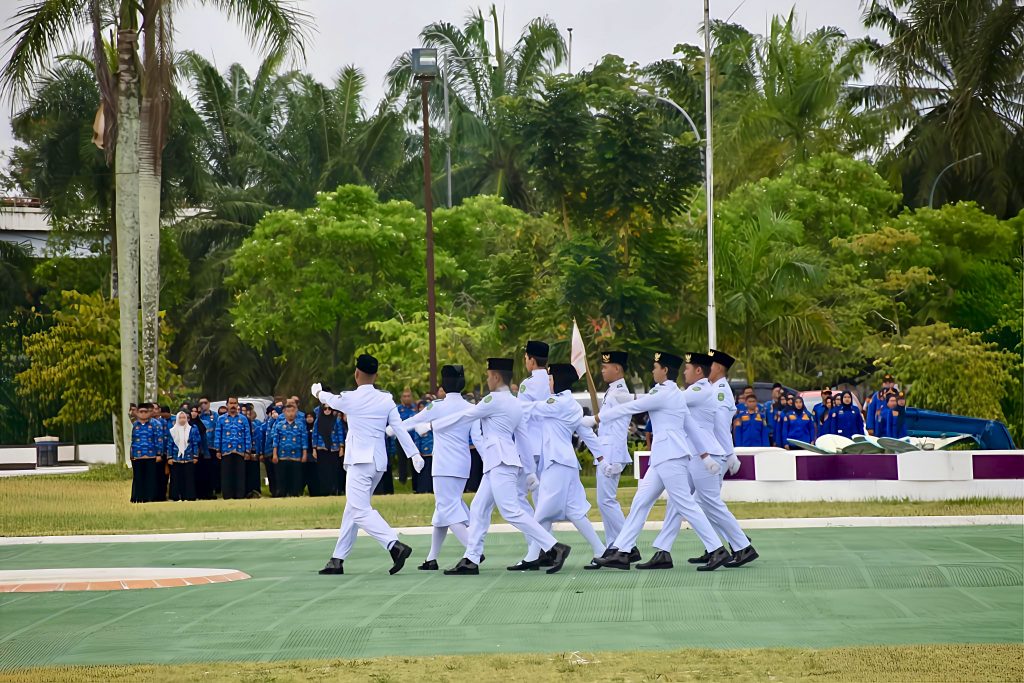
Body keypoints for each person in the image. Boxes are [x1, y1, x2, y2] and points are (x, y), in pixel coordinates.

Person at [426, 357, 571, 576]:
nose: (487, 380)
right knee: (478, 508)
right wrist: (530, 470)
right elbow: (523, 438)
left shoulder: (492, 400)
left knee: (511, 511)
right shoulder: (514, 402)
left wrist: (433, 425)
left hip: (500, 462)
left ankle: (553, 546)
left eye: (488, 376)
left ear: (495, 377)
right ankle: (471, 558)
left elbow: (465, 416)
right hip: (500, 461)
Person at [594, 352, 730, 572]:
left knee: (685, 504)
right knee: (640, 501)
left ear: (665, 370)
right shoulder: (672, 393)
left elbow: (631, 407)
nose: (652, 371)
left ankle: (717, 549)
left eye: (656, 367)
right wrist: (705, 456)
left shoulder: (665, 393)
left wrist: (595, 418)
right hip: (662, 457)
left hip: (671, 455)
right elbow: (691, 427)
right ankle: (622, 551)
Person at [314, 353, 424, 576]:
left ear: (356, 374)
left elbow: (329, 399)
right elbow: (399, 428)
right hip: (378, 463)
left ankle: (394, 545)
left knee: (359, 510)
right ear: (376, 375)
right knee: (352, 509)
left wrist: (317, 392)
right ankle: (337, 559)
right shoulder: (386, 399)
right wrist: (414, 453)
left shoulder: (350, 398)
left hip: (359, 462)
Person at [643, 353, 755, 570]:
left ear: (717, 368)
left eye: (712, 365)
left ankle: (740, 545)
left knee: (708, 503)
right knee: (678, 501)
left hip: (707, 454)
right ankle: (664, 550)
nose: (685, 372)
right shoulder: (707, 388)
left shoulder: (716, 390)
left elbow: (720, 425)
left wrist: (729, 453)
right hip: (693, 453)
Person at [513, 364, 607, 569]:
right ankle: (600, 551)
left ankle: (534, 557)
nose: (548, 382)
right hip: (564, 464)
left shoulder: (557, 402)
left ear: (558, 380)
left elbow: (531, 408)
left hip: (557, 463)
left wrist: (508, 403)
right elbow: (586, 432)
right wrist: (601, 457)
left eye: (550, 378)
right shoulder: (572, 404)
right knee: (574, 512)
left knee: (542, 513)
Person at [393, 365, 474, 570]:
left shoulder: (437, 407)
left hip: (444, 465)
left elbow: (413, 421)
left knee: (448, 508)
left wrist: (391, 429)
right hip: (463, 463)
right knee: (442, 510)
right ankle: (431, 558)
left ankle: (474, 551)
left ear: (444, 385)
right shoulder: (469, 407)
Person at [581, 350, 634, 553]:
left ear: (617, 368)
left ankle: (628, 545)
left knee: (607, 501)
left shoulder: (620, 393)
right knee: (603, 502)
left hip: (613, 453)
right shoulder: (612, 391)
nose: (602, 370)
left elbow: (620, 429)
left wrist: (618, 459)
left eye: (605, 367)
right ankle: (613, 545)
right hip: (607, 451)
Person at [214, 397, 252, 499]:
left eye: (235, 403)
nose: (233, 405)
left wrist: (248, 450)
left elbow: (247, 435)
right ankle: (227, 496)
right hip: (226, 451)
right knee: (226, 475)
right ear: (227, 405)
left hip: (240, 451)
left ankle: (240, 496)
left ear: (237, 405)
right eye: (231, 403)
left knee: (240, 475)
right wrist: (217, 449)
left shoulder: (243, 419)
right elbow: (218, 434)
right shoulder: (221, 419)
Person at [273, 403, 307, 497]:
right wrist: (275, 454)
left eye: (292, 411)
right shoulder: (279, 425)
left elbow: (304, 440)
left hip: (296, 456)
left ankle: (295, 494)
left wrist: (304, 454)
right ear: (284, 412)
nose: (290, 413)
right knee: (282, 478)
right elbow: (275, 440)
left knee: (296, 478)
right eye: (288, 411)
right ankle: (282, 494)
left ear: (296, 412)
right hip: (282, 455)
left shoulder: (300, 425)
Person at [129, 403, 162, 503]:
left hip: (150, 455)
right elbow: (133, 440)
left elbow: (158, 440)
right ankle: (137, 497)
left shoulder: (155, 424)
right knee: (138, 477)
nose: (143, 414)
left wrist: (159, 454)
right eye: (141, 412)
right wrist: (132, 454)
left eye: (145, 412)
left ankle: (149, 498)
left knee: (150, 478)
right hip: (138, 455)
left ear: (149, 413)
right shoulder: (135, 425)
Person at [313, 401, 346, 496]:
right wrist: (314, 449)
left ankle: (334, 490)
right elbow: (314, 435)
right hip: (321, 448)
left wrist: (341, 448)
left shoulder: (337, 420)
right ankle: (324, 491)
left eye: (329, 408)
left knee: (334, 470)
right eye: (325, 409)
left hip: (334, 449)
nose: (327, 411)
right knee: (323, 470)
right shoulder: (318, 421)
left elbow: (340, 434)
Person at [168, 410, 200, 501]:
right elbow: (170, 445)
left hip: (189, 458)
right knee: (176, 478)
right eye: (180, 418)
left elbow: (195, 444)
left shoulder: (192, 430)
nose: (182, 419)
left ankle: (189, 496)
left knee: (189, 478)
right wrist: (169, 457)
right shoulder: (172, 431)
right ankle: (176, 496)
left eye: (184, 418)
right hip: (176, 458)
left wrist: (195, 456)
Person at [198, 397, 220, 495]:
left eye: (205, 402)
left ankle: (211, 491)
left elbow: (218, 431)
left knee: (211, 471)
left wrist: (217, 447)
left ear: (209, 403)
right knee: (201, 471)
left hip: (212, 447)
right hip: (200, 448)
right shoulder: (198, 416)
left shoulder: (215, 416)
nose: (203, 405)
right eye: (201, 403)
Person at [411, 400, 434, 493]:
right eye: (420, 407)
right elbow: (416, 438)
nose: (421, 409)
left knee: (431, 471)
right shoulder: (417, 422)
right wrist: (417, 450)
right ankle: (422, 489)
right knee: (423, 471)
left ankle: (431, 489)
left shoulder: (433, 421)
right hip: (423, 451)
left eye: (423, 407)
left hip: (432, 451)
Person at [244, 403, 263, 498]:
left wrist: (259, 452)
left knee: (255, 472)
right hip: (244, 452)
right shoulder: (241, 422)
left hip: (255, 451)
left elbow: (259, 438)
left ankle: (256, 491)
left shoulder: (257, 424)